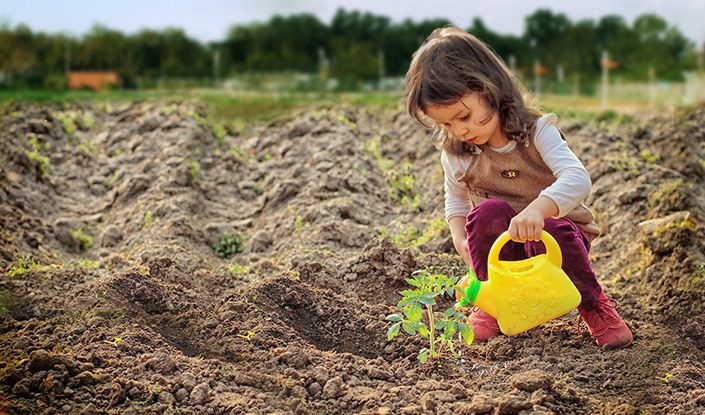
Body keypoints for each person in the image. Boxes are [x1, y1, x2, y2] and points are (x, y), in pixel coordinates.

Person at [404, 26, 633, 349]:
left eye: (465, 116)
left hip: (557, 242)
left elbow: (577, 177)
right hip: (503, 249)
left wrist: (538, 210)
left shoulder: (536, 132)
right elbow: (455, 201)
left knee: (555, 227)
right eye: (446, 124)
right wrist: (459, 239)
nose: (460, 130)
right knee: (486, 213)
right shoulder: (458, 153)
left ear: (490, 89)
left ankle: (593, 304)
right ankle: (493, 302)